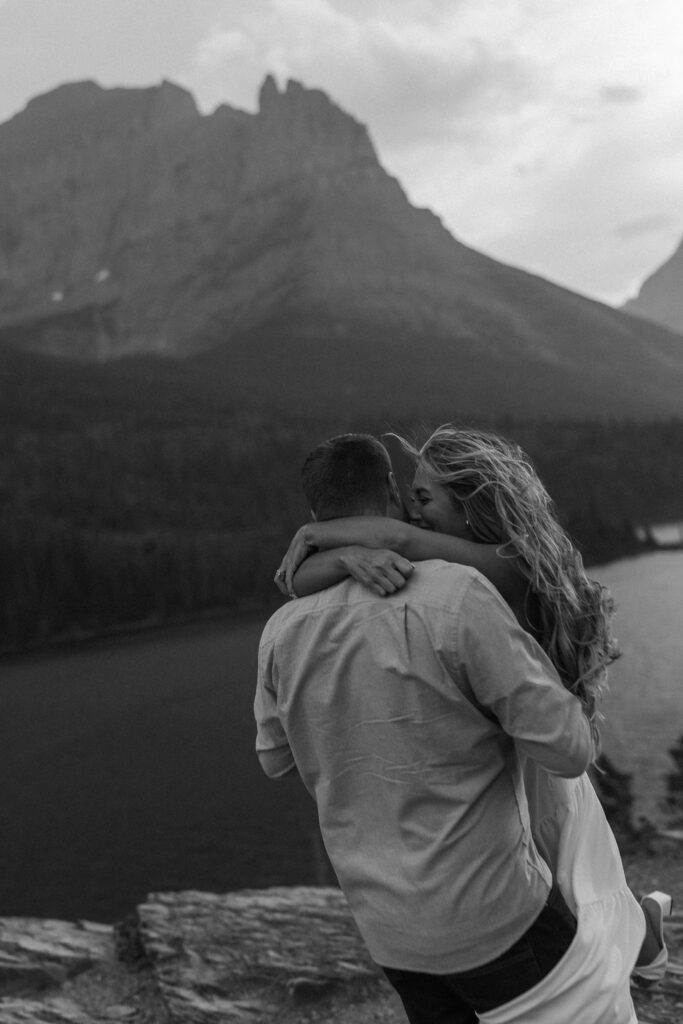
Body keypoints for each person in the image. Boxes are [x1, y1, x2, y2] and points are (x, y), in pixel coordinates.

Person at [274, 425, 671, 1004]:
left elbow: (391, 542)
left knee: (565, 876)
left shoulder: (517, 561)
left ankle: (617, 962)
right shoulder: (437, 552)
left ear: (474, 502)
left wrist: (323, 536)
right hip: (509, 737)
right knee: (570, 871)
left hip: (532, 750)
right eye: (409, 493)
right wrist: (345, 558)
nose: (412, 507)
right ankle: (639, 941)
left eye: (426, 496)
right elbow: (297, 578)